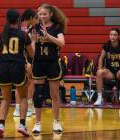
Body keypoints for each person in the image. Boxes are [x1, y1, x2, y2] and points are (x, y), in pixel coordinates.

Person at [0, 9, 34, 138]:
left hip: (3, 67)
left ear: (7, 19)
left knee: (6, 98)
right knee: (23, 97)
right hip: (17, 67)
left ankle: (1, 124)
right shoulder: (23, 35)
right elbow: (31, 54)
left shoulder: (1, 35)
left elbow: (0, 52)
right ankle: (22, 125)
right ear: (18, 20)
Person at [31, 3, 68, 134]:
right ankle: (37, 123)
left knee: (54, 95)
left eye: (44, 14)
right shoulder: (35, 27)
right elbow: (33, 49)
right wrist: (34, 42)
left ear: (51, 14)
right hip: (39, 63)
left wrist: (49, 36)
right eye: (40, 14)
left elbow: (62, 43)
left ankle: (57, 122)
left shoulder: (57, 27)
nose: (42, 16)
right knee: (38, 95)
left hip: (53, 63)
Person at [94, 28, 120, 106]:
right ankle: (99, 98)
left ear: (118, 36)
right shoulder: (107, 45)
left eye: (114, 35)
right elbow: (101, 58)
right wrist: (100, 67)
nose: (112, 37)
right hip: (110, 71)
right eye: (111, 35)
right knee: (99, 72)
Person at [13, 9, 37, 117]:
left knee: (23, 83)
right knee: (27, 82)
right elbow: (32, 48)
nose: (37, 20)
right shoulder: (30, 29)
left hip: (20, 57)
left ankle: (20, 108)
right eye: (35, 18)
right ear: (31, 18)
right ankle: (25, 108)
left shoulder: (19, 27)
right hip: (25, 57)